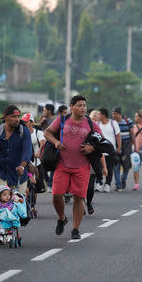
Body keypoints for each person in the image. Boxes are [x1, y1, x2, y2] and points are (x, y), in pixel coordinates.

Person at [44, 95, 102, 239]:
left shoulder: (90, 123)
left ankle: (75, 229)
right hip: (62, 164)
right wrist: (56, 142)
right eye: (80, 105)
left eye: (84, 105)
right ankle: (62, 218)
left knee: (79, 198)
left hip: (82, 167)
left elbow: (102, 142)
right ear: (71, 107)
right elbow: (47, 132)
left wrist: (92, 148)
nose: (83, 108)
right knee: (56, 195)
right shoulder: (62, 120)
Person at [0, 105, 32, 194]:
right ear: (6, 118)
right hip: (1, 173)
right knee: (3, 200)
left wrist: (22, 166)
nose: (17, 119)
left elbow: (27, 152)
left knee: (18, 201)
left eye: (18, 116)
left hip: (19, 174)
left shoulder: (24, 131)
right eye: (13, 116)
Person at [22, 112, 46, 210]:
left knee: (36, 188)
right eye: (23, 122)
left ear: (32, 122)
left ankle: (32, 206)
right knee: (26, 187)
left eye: (26, 122)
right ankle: (25, 206)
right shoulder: (21, 133)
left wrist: (39, 151)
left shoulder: (38, 133)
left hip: (37, 163)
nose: (24, 124)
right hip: (26, 163)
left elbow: (43, 142)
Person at [98, 108, 121, 192]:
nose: (98, 116)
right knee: (99, 168)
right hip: (100, 151)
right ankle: (99, 183)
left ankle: (107, 184)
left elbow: (118, 136)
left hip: (110, 150)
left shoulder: (113, 123)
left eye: (99, 114)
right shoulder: (97, 124)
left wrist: (119, 147)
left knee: (110, 168)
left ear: (103, 115)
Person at [112, 107, 135, 190]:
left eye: (114, 113)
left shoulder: (128, 121)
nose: (112, 115)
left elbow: (132, 133)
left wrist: (135, 145)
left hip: (127, 145)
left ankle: (123, 178)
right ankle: (118, 185)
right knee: (116, 164)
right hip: (116, 145)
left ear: (119, 114)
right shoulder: (112, 123)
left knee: (127, 164)